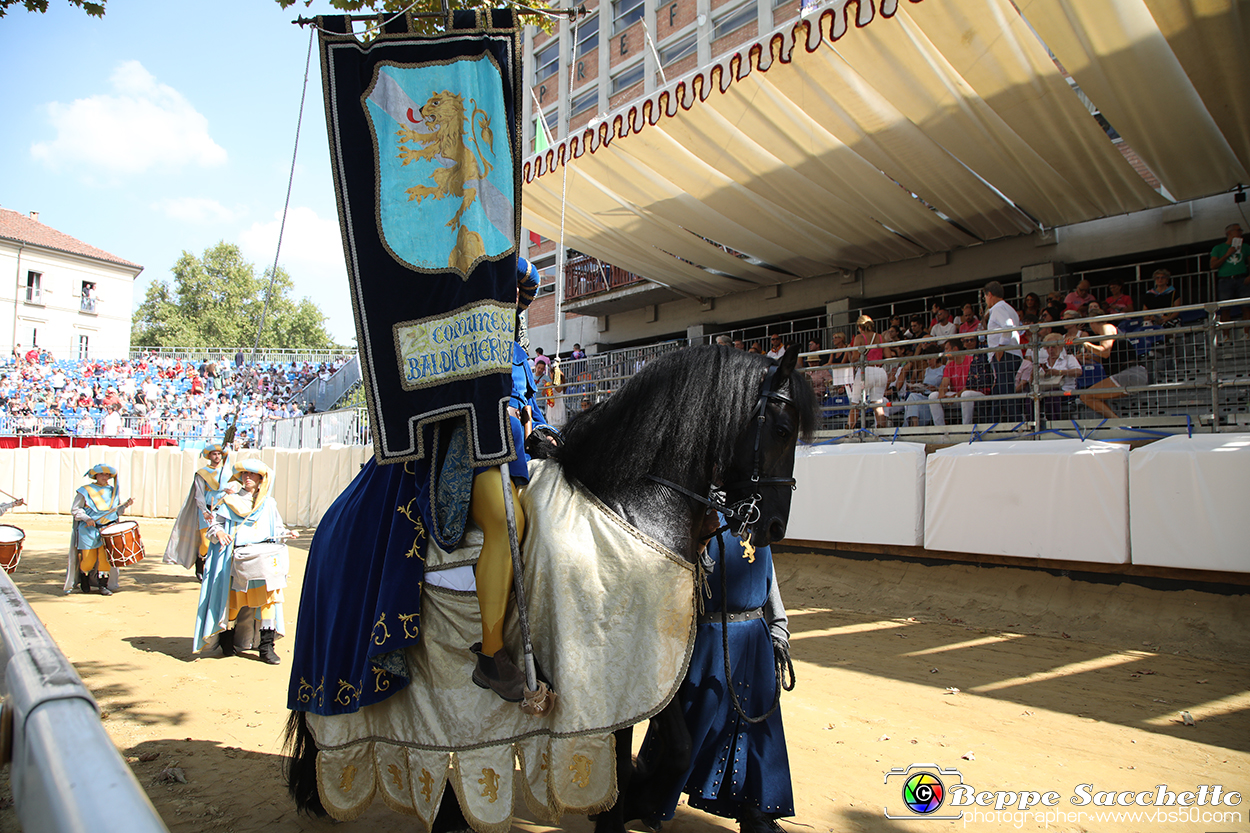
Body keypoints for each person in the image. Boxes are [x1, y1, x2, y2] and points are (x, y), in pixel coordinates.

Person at [637, 523, 793, 833]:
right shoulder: (702, 513)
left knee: (757, 732)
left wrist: (778, 628)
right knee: (691, 726)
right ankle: (651, 798)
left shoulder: (756, 512)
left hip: (755, 641)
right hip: (707, 641)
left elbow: (767, 570)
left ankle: (755, 813)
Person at [194, 459, 298, 664]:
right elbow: (215, 524)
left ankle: (266, 647)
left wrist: (287, 533)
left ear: (261, 480)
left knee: (268, 601)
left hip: (264, 559)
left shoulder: (268, 503)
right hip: (239, 559)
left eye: (252, 475)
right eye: (244, 474)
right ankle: (227, 641)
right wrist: (220, 531)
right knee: (234, 601)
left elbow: (276, 528)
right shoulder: (229, 501)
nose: (247, 478)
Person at [163, 443, 233, 582]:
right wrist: (204, 510)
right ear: (209, 456)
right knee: (205, 542)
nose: (217, 456)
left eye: (219, 454)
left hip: (223, 510)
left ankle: (216, 570)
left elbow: (232, 489)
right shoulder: (202, 473)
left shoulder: (227, 472)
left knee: (222, 540)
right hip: (207, 510)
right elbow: (199, 494)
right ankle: (200, 564)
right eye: (214, 454)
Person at [64, 464, 134, 596]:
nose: (105, 477)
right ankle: (83, 578)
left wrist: (125, 505)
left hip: (108, 528)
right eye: (102, 474)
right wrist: (86, 518)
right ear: (95, 476)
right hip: (89, 529)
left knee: (105, 559)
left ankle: (103, 585)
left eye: (107, 475)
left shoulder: (112, 491)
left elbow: (116, 512)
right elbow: (75, 509)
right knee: (89, 560)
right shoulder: (85, 490)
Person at [1079, 308, 1148, 419]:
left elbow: (1105, 351)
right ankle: (1118, 423)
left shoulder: (1106, 327)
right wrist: (1090, 357)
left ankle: (1117, 423)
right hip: (1134, 373)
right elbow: (1106, 357)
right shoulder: (1111, 329)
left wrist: (1085, 343)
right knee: (1093, 397)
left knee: (1086, 396)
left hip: (1129, 373)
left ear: (1091, 322)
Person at [982, 281, 1023, 422]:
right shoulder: (1009, 308)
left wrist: (1001, 347)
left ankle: (1016, 422)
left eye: (985, 297)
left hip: (1005, 354)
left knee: (1006, 391)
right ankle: (992, 423)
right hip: (1010, 353)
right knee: (999, 392)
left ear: (990, 295)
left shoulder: (998, 308)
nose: (985, 300)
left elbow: (1008, 326)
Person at [848, 315, 888, 429]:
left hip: (866, 371)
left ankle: (849, 430)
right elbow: (888, 355)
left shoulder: (860, 338)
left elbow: (855, 357)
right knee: (878, 403)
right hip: (880, 370)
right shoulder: (880, 337)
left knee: (856, 403)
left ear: (860, 327)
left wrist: (850, 355)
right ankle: (881, 429)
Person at [1211, 223, 1249, 327]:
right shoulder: (1218, 248)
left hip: (1242, 278)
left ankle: (1247, 334)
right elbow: (1213, 265)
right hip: (1225, 280)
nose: (1240, 233)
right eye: (1238, 230)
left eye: (1241, 230)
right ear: (1229, 233)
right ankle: (1225, 335)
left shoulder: (1245, 247)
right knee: (1225, 308)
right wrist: (1227, 254)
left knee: (1246, 306)